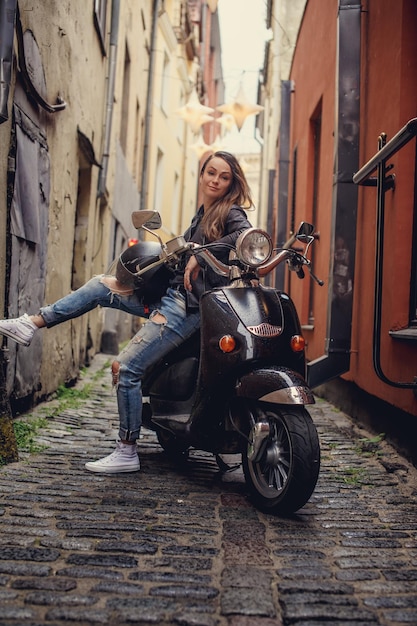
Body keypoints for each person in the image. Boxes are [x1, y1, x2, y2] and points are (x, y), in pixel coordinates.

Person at [0, 151, 253, 473]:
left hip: (185, 309)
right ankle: (32, 323)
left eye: (224, 176)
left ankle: (126, 450)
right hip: (170, 298)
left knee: (128, 367)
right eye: (210, 173)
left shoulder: (230, 212)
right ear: (201, 174)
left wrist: (200, 257)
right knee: (100, 285)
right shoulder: (203, 214)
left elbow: (246, 237)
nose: (215, 180)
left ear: (233, 182)